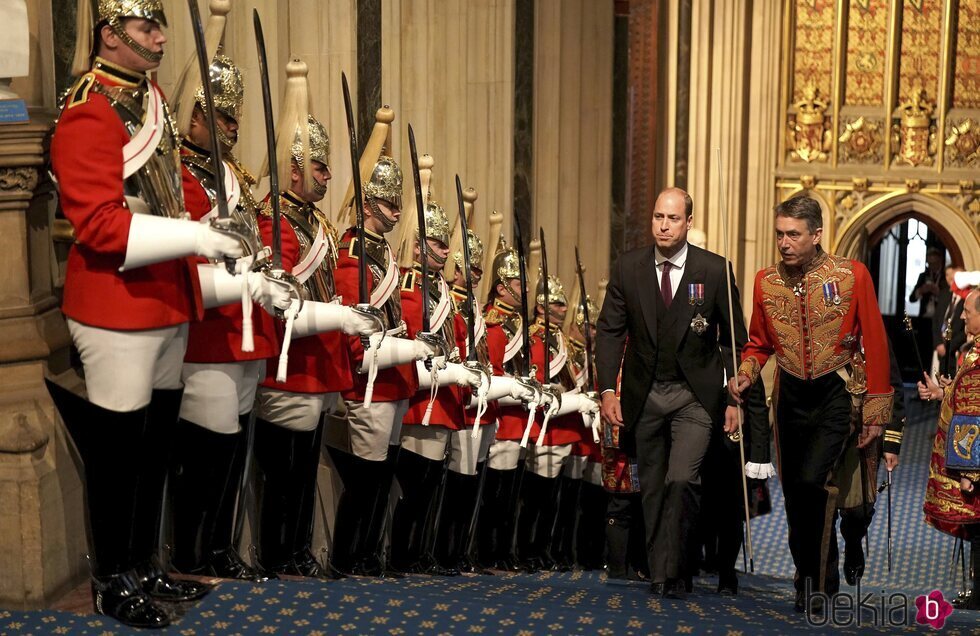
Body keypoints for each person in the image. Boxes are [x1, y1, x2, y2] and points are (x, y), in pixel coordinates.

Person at [46, 0, 244, 627]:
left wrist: (210, 228)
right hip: (115, 303)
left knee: (155, 445)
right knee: (119, 454)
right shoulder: (87, 110)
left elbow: (166, 194)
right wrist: (196, 240)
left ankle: (143, 560)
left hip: (165, 299)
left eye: (160, 25)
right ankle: (111, 577)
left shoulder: (149, 97)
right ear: (109, 34)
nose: (160, 37)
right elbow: (101, 226)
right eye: (145, 26)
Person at [168, 40, 298, 581]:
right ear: (194, 116)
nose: (231, 128)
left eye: (233, 119)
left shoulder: (235, 180)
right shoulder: (178, 172)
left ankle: (218, 547)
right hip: (207, 325)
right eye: (221, 116)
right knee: (207, 447)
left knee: (233, 447)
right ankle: (192, 554)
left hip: (245, 326)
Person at [729, 194, 893, 613]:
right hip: (790, 398)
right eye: (780, 234)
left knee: (815, 487)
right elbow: (759, 342)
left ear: (816, 234)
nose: (784, 242)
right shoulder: (765, 281)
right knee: (795, 493)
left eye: (793, 235)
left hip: (837, 394)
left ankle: (821, 584)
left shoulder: (852, 275)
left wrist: (876, 413)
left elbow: (874, 342)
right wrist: (747, 372)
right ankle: (805, 574)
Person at [251, 61, 380, 579]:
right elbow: (285, 300)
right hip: (292, 364)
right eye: (320, 168)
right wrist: (343, 318)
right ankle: (279, 551)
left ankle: (297, 548)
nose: (328, 178)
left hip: (316, 367)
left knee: (303, 470)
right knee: (283, 473)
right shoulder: (275, 220)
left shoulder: (315, 222)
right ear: (296, 167)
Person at [596, 187, 749, 599]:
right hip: (644, 395)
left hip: (695, 397)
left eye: (673, 218)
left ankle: (676, 567)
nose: (664, 225)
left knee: (682, 479)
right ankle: (663, 574)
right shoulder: (629, 268)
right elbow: (610, 332)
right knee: (653, 487)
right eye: (658, 217)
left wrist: (734, 397)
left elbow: (734, 340)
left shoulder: (715, 270)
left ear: (688, 222)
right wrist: (608, 390)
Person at [920, 281, 980, 611]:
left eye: (968, 314)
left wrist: (970, 471)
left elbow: (974, 416)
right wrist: (944, 392)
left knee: (979, 528)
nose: (963, 320)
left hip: (976, 464)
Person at [910, 247, 946, 319]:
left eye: (935, 263)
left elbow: (950, 300)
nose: (932, 266)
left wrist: (939, 293)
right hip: (924, 318)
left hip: (940, 317)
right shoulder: (923, 276)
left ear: (940, 261)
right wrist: (920, 290)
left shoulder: (946, 276)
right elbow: (912, 299)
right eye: (930, 263)